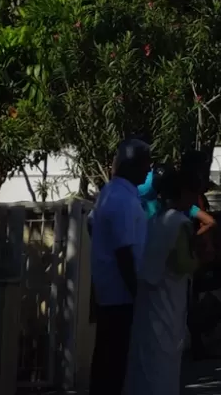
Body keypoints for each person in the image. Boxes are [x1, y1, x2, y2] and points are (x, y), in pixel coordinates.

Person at [124, 165, 198, 395]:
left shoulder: (155, 220)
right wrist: (202, 261)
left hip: (148, 299)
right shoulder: (179, 223)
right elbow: (182, 263)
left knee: (145, 362)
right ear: (183, 193)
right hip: (168, 301)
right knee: (164, 364)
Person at [89, 137, 151, 395]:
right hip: (121, 296)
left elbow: (92, 225)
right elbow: (124, 253)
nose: (149, 171)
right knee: (114, 365)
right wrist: (138, 296)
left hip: (110, 293)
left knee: (107, 361)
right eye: (146, 165)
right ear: (132, 165)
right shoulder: (122, 200)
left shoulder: (112, 193)